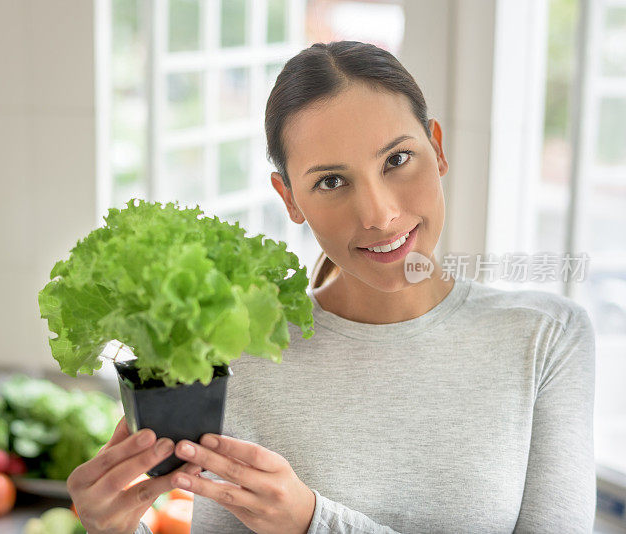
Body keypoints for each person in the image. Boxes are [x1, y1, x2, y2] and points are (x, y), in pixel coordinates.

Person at [68, 41, 597, 534]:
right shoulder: (234, 350)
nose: (380, 215)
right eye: (331, 182)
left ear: (436, 148)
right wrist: (117, 527)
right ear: (290, 197)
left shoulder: (546, 338)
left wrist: (313, 523)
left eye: (397, 159)